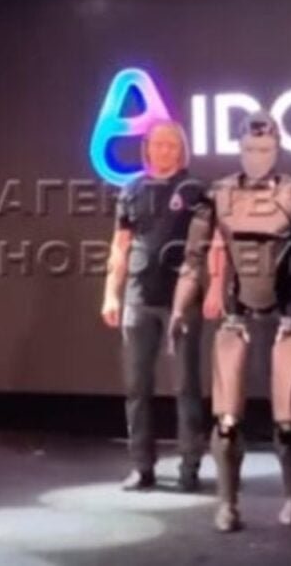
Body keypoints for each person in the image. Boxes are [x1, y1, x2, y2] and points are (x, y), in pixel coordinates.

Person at [169, 111, 291, 533]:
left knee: (288, 420)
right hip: (237, 311)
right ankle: (227, 503)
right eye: (250, 147)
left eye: (266, 148)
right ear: (239, 148)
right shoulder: (217, 195)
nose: (257, 155)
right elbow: (192, 262)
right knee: (227, 419)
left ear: (278, 148)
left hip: (288, 311)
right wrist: (179, 308)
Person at [101, 121, 207, 492]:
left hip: (182, 300)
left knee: (186, 386)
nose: (164, 150)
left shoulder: (195, 190)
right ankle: (141, 465)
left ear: (181, 150)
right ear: (147, 148)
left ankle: (190, 466)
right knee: (136, 386)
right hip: (138, 298)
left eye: (171, 145)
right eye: (158, 144)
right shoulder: (131, 190)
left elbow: (210, 246)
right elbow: (120, 246)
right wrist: (110, 293)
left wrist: (211, 292)